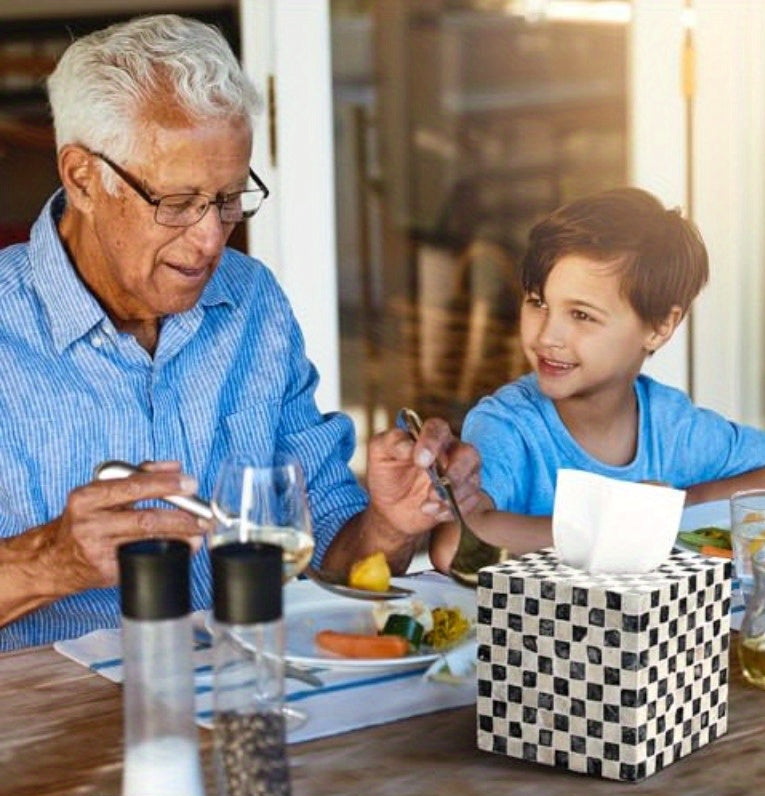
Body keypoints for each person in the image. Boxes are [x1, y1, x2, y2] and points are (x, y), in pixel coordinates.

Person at [0, 14, 480, 651]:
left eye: (230, 199)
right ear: (83, 178)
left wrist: (389, 524)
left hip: (248, 692)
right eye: (176, 201)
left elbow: (329, 563)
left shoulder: (252, 302)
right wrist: (47, 562)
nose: (210, 239)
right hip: (53, 733)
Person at [430, 187, 765, 571]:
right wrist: (615, 524)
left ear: (660, 326)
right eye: (538, 303)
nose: (546, 337)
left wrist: (679, 505)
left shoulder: (671, 425)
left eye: (582, 315)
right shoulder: (509, 425)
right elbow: (453, 544)